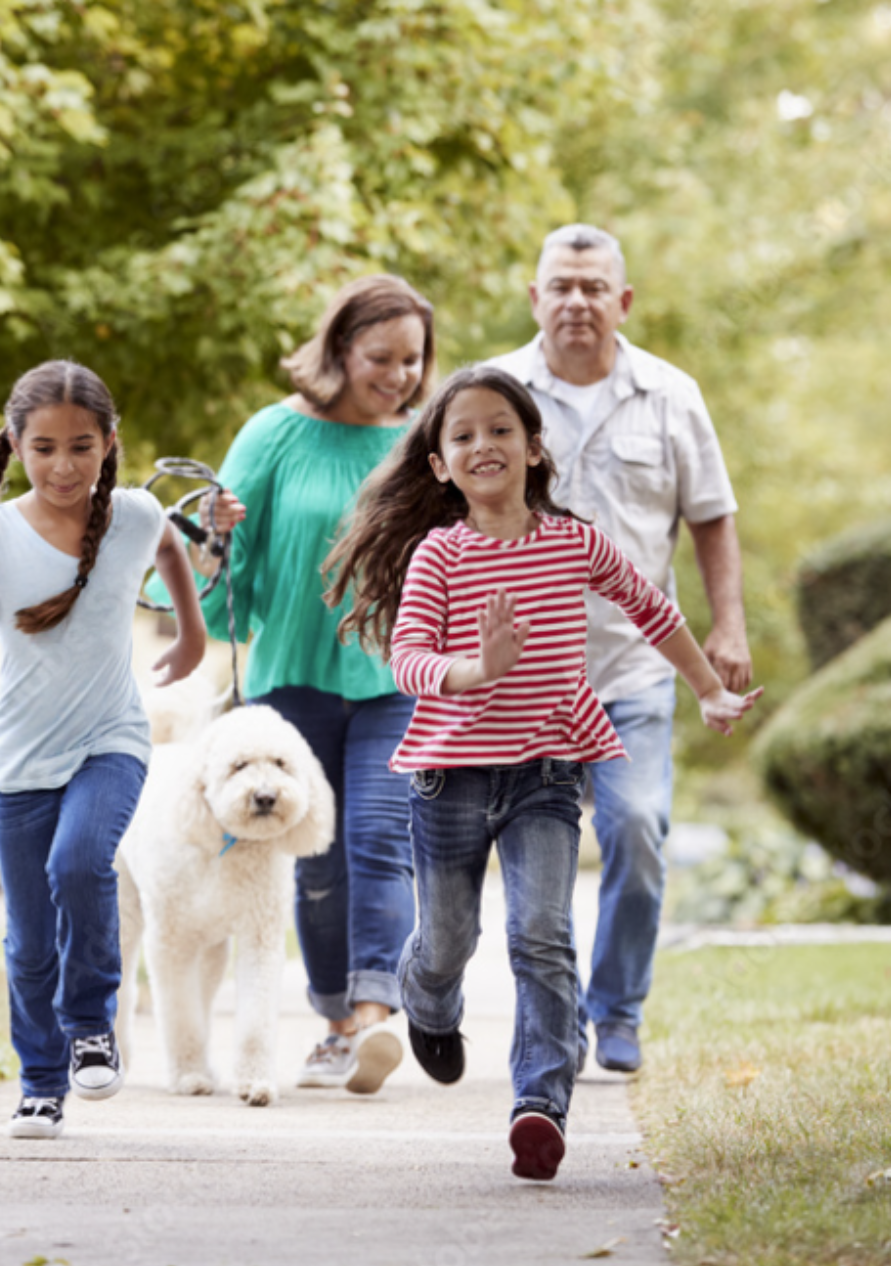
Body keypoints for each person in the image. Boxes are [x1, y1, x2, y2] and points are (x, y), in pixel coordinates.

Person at [323, 364, 761, 1180]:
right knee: (448, 939)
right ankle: (429, 1003)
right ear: (439, 466)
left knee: (542, 936)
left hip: (546, 774)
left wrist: (706, 689)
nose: (483, 444)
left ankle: (539, 1104)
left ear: (532, 447)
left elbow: (652, 607)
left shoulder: (573, 541)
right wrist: (474, 669)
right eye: (462, 436)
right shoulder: (438, 555)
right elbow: (410, 659)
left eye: (500, 429)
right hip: (450, 776)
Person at [0, 360, 206, 1139]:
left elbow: (173, 552)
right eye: (44, 447)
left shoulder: (135, 514)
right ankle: (41, 1083)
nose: (63, 466)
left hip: (111, 740)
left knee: (78, 865)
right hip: (20, 758)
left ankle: (92, 1026)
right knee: (28, 939)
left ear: (109, 442)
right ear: (15, 444)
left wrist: (191, 633)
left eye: (81, 447)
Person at [487, 224, 753, 1075]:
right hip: (527, 678)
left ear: (622, 301)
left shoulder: (672, 395)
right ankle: (554, 1024)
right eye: (560, 285)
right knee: (535, 862)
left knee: (637, 829)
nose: (576, 301)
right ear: (535, 298)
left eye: (593, 287)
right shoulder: (496, 396)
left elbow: (711, 514)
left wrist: (728, 626)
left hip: (639, 667)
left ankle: (619, 1008)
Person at [188, 274, 438, 1095]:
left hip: (393, 677)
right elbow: (226, 577)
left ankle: (373, 1018)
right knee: (318, 860)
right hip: (292, 677)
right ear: (338, 350)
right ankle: (333, 1020)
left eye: (413, 360)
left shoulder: (421, 447)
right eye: (381, 356)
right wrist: (215, 540)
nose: (400, 375)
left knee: (377, 838)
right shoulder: (273, 434)